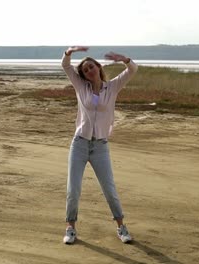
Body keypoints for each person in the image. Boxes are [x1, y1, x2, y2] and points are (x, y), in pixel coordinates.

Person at [61, 46, 138, 244]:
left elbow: (132, 71)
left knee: (109, 188)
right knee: (74, 189)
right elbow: (66, 66)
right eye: (85, 70)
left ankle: (121, 227)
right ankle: (70, 228)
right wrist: (69, 51)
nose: (89, 71)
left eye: (91, 67)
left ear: (98, 67)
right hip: (79, 144)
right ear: (84, 76)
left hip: (100, 146)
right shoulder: (81, 87)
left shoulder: (111, 87)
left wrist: (124, 59)